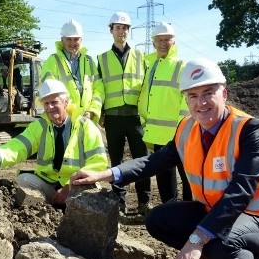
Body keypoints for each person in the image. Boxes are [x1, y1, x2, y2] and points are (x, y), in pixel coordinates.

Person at [71, 57, 259, 259]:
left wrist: (197, 239)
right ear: (186, 100)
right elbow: (153, 162)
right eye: (193, 95)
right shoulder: (187, 128)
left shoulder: (251, 130)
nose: (201, 103)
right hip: (217, 213)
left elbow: (240, 191)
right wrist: (107, 174)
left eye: (209, 93)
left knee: (221, 242)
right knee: (158, 220)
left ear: (224, 92)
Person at [0, 79, 108, 206]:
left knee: (91, 191)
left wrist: (70, 186)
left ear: (66, 102)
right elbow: (16, 147)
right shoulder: (40, 127)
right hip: (50, 184)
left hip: (76, 186)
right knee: (23, 180)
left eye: (54, 102)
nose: (50, 107)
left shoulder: (85, 126)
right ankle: (49, 208)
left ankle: (71, 207)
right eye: (46, 103)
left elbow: (97, 163)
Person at [97, 11, 151, 216]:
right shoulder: (101, 59)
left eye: (125, 28)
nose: (122, 31)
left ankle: (144, 202)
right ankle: (119, 202)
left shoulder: (140, 57)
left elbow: (147, 87)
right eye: (118, 27)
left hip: (136, 116)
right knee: (116, 161)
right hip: (113, 118)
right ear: (111, 30)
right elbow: (98, 88)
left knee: (142, 159)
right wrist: (99, 114)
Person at [138, 21, 191, 203]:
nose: (163, 43)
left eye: (167, 39)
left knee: (188, 178)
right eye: (159, 39)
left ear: (173, 41)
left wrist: (182, 129)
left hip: (180, 134)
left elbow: (186, 101)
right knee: (164, 180)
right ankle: (170, 212)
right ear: (153, 42)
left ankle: (189, 212)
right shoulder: (150, 64)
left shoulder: (181, 66)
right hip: (159, 135)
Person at [40, 19, 104, 123]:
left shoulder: (89, 61)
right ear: (62, 40)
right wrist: (73, 114)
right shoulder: (52, 61)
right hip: (64, 121)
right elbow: (50, 95)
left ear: (81, 39)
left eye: (76, 39)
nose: (73, 43)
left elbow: (98, 90)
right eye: (69, 39)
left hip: (88, 120)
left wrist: (92, 111)